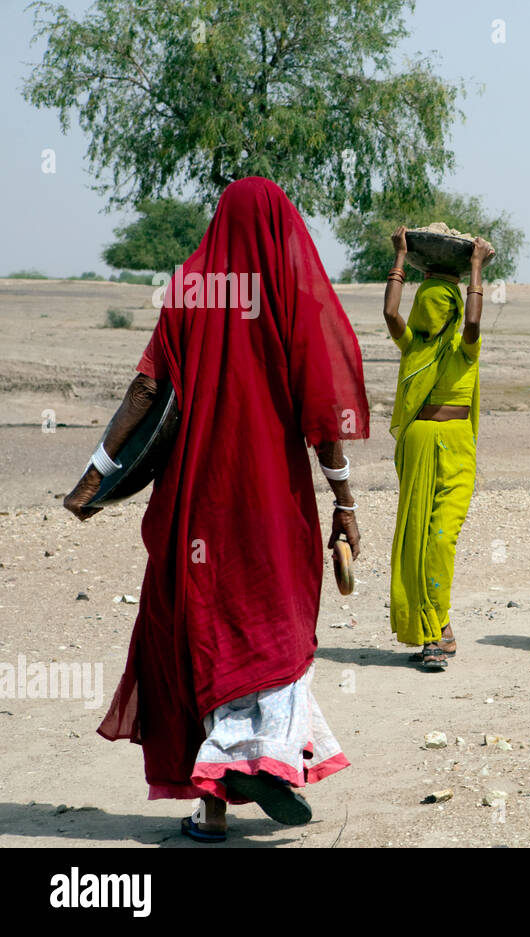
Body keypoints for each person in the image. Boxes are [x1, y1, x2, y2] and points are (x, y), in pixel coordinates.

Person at [62, 177, 370, 842]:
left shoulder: (193, 289)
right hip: (272, 501)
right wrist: (344, 500)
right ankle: (259, 755)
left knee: (198, 630)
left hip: (196, 497)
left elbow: (146, 388)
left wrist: (96, 475)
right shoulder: (292, 293)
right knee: (271, 628)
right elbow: (324, 410)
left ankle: (213, 803)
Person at [384, 227, 495, 671]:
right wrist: (399, 258)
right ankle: (433, 633)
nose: (426, 311)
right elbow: (390, 313)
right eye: (422, 302)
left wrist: (474, 269)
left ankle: (438, 622)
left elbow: (472, 322)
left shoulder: (464, 348)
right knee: (416, 537)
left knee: (440, 538)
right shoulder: (414, 346)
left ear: (447, 309)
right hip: (419, 443)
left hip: (455, 445)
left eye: (436, 303)